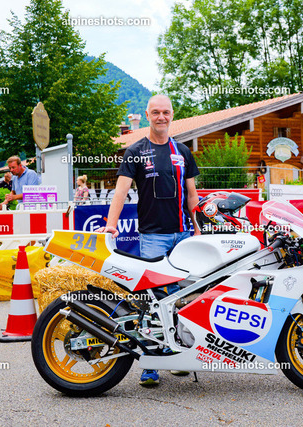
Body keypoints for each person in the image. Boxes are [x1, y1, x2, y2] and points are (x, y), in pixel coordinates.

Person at [97, 94, 200, 387]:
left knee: (181, 298)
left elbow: (192, 195)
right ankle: (150, 364)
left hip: (183, 236)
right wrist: (111, 225)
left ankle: (177, 356)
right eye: (155, 112)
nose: (161, 117)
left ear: (172, 114)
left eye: (165, 112)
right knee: (152, 301)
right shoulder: (135, 152)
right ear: (147, 115)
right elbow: (120, 192)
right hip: (153, 237)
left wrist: (198, 230)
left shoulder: (183, 151)